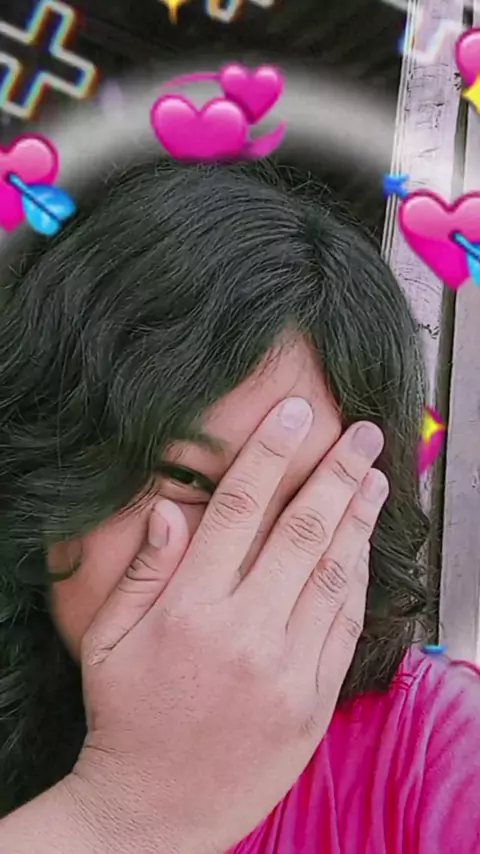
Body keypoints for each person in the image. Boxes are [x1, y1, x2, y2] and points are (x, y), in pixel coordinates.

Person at [0, 159, 479, 854]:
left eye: (309, 511)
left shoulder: (434, 753)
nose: (239, 566)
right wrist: (126, 813)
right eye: (187, 478)